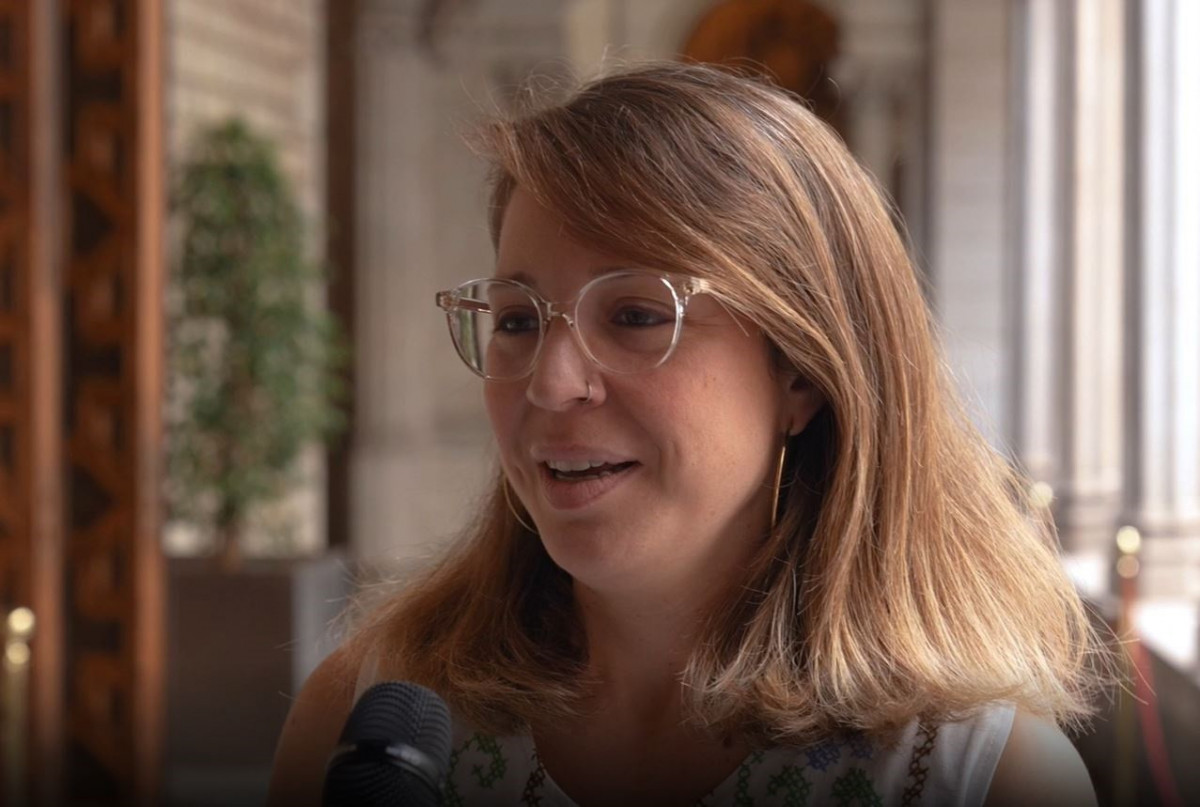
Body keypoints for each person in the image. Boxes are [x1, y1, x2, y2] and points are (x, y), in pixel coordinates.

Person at [268, 62, 1108, 806]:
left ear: (801, 372)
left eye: (636, 314)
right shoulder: (369, 726)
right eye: (517, 320)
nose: (551, 383)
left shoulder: (984, 781)